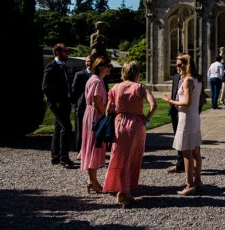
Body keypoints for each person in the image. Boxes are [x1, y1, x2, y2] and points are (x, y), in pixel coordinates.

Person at [102, 61, 158, 207]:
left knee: (119, 156)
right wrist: (146, 118)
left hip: (120, 123)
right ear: (137, 73)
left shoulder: (115, 88)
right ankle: (124, 191)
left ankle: (121, 189)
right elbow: (154, 105)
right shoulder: (140, 87)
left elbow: (108, 110)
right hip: (137, 125)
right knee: (133, 158)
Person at [167, 54, 203, 196]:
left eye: (180, 65)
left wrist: (171, 101)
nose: (178, 68)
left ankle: (189, 184)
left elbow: (186, 102)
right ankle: (198, 181)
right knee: (195, 151)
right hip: (193, 117)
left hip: (186, 119)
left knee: (187, 152)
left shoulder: (188, 81)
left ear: (187, 65)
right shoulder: (197, 79)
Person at [78, 56, 111, 194]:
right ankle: (92, 181)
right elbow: (97, 103)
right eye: (107, 65)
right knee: (93, 147)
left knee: (93, 147)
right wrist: (108, 114)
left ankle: (93, 180)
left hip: (90, 115)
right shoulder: (97, 81)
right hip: (95, 117)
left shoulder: (94, 79)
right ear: (100, 67)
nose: (110, 68)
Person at [42, 43, 75, 169]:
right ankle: (64, 157)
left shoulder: (63, 67)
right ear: (57, 53)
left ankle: (55, 156)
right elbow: (45, 87)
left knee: (58, 128)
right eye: (65, 51)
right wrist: (55, 100)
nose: (67, 53)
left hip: (65, 102)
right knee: (67, 128)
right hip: (57, 103)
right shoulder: (51, 67)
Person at [72, 55, 92, 155]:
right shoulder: (79, 75)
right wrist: (75, 104)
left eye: (91, 61)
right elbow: (74, 91)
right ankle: (80, 150)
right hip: (81, 106)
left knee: (93, 129)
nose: (89, 63)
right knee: (80, 129)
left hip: (95, 107)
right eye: (88, 61)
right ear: (85, 62)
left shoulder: (99, 76)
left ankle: (93, 150)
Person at [165, 71, 184, 173]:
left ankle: (191, 165)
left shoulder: (193, 78)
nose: (178, 67)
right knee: (177, 138)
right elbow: (174, 93)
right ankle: (180, 163)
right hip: (175, 111)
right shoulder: (176, 77)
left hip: (186, 113)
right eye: (177, 65)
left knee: (188, 141)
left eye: (180, 65)